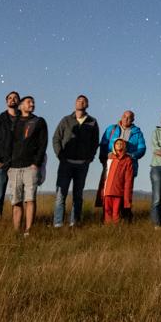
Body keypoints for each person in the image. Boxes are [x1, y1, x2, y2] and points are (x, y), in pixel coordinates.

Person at [52, 95, 100, 228]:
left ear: (87, 105)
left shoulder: (92, 122)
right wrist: (60, 155)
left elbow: (95, 142)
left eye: (84, 101)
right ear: (75, 103)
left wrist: (89, 158)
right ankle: (58, 223)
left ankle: (75, 223)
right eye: (79, 100)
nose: (81, 103)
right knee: (60, 194)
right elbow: (56, 138)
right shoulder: (66, 120)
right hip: (66, 163)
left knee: (78, 195)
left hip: (82, 164)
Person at [2, 95, 47, 233]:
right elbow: (7, 143)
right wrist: (8, 164)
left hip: (30, 167)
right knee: (16, 201)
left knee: (30, 199)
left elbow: (42, 144)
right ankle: (16, 231)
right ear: (21, 105)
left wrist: (36, 163)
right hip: (14, 167)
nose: (32, 104)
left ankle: (28, 230)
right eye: (29, 102)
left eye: (33, 102)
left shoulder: (38, 121)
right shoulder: (14, 122)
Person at [98, 111, 148, 221]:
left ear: (133, 120)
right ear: (121, 117)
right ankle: (106, 218)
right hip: (111, 166)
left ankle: (124, 218)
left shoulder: (137, 132)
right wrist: (104, 158)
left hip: (127, 166)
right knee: (107, 192)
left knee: (125, 191)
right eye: (124, 116)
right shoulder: (111, 129)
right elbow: (103, 144)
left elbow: (142, 148)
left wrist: (131, 156)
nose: (126, 119)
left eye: (129, 117)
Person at [0, 91, 21, 221]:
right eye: (10, 98)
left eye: (15, 98)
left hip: (19, 162)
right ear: (6, 101)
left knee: (19, 195)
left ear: (19, 101)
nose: (12, 100)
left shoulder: (24, 119)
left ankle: (17, 222)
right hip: (2, 162)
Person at [102, 137, 135, 224]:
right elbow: (105, 175)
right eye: (117, 143)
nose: (119, 145)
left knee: (116, 213)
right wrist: (103, 190)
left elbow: (128, 179)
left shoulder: (127, 159)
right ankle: (108, 228)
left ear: (124, 146)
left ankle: (115, 229)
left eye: (121, 144)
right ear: (114, 146)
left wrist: (127, 195)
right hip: (108, 191)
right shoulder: (110, 158)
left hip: (118, 191)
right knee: (107, 212)